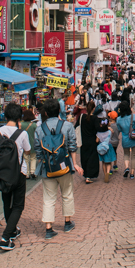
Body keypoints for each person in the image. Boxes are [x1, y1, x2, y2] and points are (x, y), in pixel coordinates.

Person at [34, 98, 83, 237]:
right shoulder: (67, 126)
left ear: (46, 113)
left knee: (49, 198)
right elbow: (73, 146)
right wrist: (75, 163)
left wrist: (44, 161)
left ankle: (49, 228)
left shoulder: (39, 129)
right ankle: (67, 223)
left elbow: (38, 150)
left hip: (47, 169)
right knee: (67, 194)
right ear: (59, 111)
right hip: (65, 166)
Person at [0, 103, 31, 252]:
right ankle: (6, 238)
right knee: (18, 205)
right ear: (19, 117)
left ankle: (11, 230)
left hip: (2, 174)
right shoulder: (22, 134)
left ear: (5, 116)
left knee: (7, 203)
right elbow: (27, 151)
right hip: (19, 173)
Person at [116, 100, 135, 180]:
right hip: (134, 138)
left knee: (126, 154)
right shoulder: (133, 117)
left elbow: (119, 129)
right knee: (134, 156)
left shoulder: (118, 119)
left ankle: (126, 167)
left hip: (125, 139)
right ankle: (132, 173)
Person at [78, 100, 100, 183]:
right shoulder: (94, 118)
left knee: (85, 157)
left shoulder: (82, 117)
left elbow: (76, 126)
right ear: (94, 108)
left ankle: (86, 173)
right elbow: (98, 128)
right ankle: (89, 176)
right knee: (92, 158)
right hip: (92, 141)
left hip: (83, 141)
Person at [21, 108, 37, 179]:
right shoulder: (34, 125)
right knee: (33, 158)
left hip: (24, 144)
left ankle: (26, 173)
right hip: (33, 143)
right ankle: (33, 171)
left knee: (26, 159)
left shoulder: (21, 124)